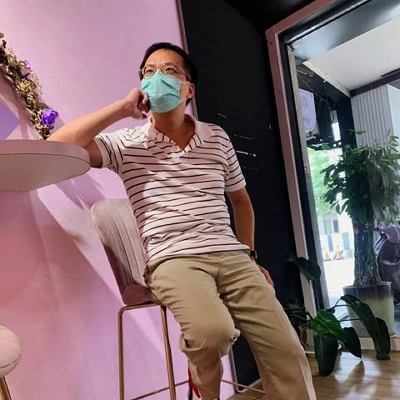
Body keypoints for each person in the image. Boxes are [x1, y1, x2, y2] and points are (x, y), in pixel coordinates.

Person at [48, 42, 316, 400]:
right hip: (172, 258)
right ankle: (203, 387)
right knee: (212, 333)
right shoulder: (126, 144)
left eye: (170, 70)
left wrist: (250, 255)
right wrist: (121, 109)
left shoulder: (216, 137)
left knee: (288, 350)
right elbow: (58, 145)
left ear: (189, 89)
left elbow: (241, 202)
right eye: (149, 71)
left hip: (232, 256)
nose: (157, 76)